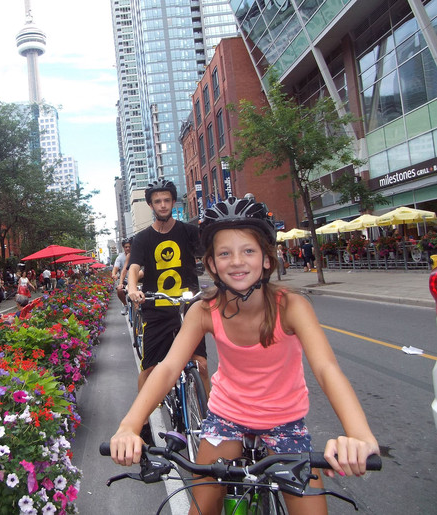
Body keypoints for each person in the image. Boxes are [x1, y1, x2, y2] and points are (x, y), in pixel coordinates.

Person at [110, 196, 380, 515]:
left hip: (286, 423)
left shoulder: (292, 306)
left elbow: (326, 369)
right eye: (225, 253)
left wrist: (359, 435)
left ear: (267, 259)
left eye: (248, 250)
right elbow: (169, 368)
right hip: (227, 417)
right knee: (201, 507)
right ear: (211, 264)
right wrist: (129, 425)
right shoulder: (203, 310)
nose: (237, 261)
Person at [126, 179, 208, 397]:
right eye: (157, 201)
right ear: (151, 205)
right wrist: (132, 288)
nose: (163, 205)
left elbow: (210, 257)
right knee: (150, 369)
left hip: (190, 306)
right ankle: (142, 424)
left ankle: (210, 421)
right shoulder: (142, 238)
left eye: (167, 200)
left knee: (200, 364)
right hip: (157, 309)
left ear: (173, 203)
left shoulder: (190, 232)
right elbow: (134, 267)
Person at [112, 238, 132, 315]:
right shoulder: (120, 258)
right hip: (125, 280)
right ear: (123, 247)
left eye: (129, 246)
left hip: (138, 280)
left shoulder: (138, 254)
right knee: (120, 290)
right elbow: (119, 269)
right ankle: (125, 305)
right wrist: (114, 274)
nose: (128, 248)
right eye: (126, 247)